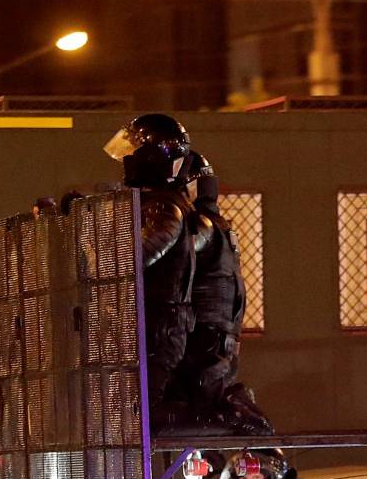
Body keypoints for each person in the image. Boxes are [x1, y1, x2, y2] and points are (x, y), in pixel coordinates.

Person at [103, 116, 271, 434]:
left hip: (194, 340)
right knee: (147, 416)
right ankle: (226, 409)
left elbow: (137, 258)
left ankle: (229, 413)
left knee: (146, 419)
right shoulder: (201, 220)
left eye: (134, 151)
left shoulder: (185, 218)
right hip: (196, 337)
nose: (126, 159)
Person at [169, 150, 271, 434]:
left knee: (190, 417)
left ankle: (232, 409)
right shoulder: (216, 227)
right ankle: (231, 406)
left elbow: (149, 256)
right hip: (211, 341)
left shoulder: (200, 227)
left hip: (202, 342)